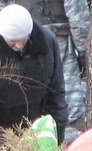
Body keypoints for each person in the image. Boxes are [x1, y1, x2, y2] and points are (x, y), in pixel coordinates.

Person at [13, 0, 87, 138]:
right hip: (59, 43)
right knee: (69, 111)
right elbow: (78, 17)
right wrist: (85, 54)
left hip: (15, 44)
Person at [0, 3, 67, 142]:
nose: (18, 46)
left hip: (38, 129)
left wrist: (58, 135)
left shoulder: (47, 42)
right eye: (13, 42)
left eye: (23, 40)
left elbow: (56, 92)